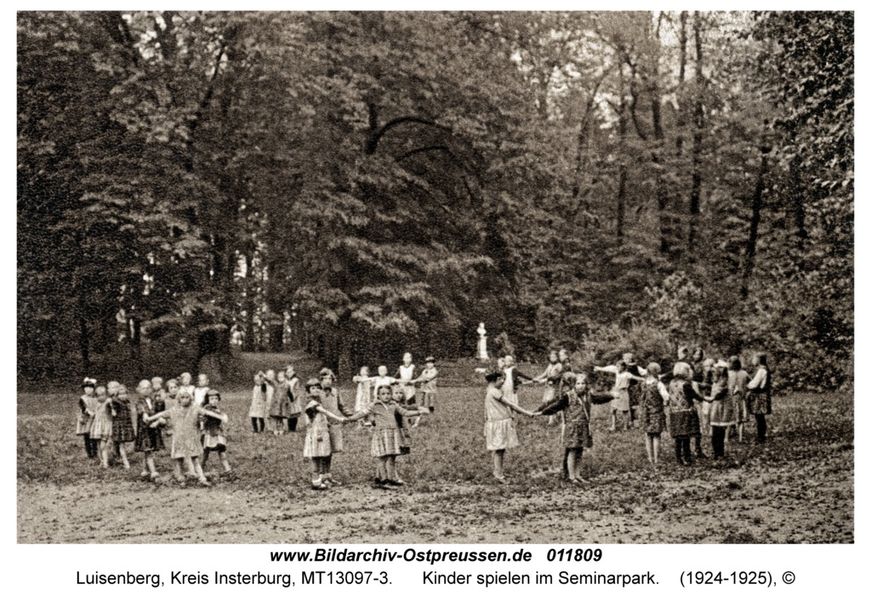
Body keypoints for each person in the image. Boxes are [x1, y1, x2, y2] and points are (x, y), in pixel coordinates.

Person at [346, 385, 430, 488]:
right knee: (382, 457)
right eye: (383, 394)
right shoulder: (374, 405)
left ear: (391, 395)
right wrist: (349, 419)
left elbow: (405, 412)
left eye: (388, 394)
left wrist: (419, 412)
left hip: (393, 434)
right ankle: (383, 480)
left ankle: (391, 479)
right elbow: (362, 413)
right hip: (381, 434)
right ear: (378, 395)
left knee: (391, 456)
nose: (386, 396)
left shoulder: (393, 405)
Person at [534, 372, 612, 483]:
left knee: (580, 450)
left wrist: (611, 396)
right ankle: (571, 476)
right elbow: (556, 406)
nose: (581, 386)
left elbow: (599, 398)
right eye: (578, 383)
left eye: (583, 383)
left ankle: (578, 474)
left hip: (584, 426)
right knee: (572, 450)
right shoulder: (568, 396)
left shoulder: (588, 395)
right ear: (574, 385)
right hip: (572, 428)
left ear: (586, 385)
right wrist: (542, 412)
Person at [143, 390, 226, 486]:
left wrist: (220, 417)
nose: (185, 400)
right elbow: (162, 414)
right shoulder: (174, 410)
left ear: (190, 399)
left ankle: (202, 478)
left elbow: (207, 412)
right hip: (179, 439)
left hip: (191, 439)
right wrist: (150, 418)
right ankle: (180, 477)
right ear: (179, 399)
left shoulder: (195, 409)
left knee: (195, 459)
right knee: (179, 458)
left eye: (187, 397)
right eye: (182, 398)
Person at [483, 370, 535, 483]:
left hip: (496, 423)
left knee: (499, 449)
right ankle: (499, 474)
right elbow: (511, 404)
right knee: (499, 450)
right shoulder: (494, 392)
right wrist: (527, 413)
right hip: (498, 423)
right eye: (502, 379)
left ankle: (498, 471)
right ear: (497, 379)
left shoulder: (490, 391)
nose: (503, 382)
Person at [301, 378, 346, 490]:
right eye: (313, 388)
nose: (316, 390)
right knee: (316, 457)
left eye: (318, 388)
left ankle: (321, 478)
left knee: (321, 455)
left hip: (320, 431)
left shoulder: (317, 402)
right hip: (317, 434)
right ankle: (315, 481)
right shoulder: (313, 403)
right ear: (308, 391)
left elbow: (320, 418)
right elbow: (325, 412)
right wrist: (340, 419)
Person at [666, 363, 706, 466]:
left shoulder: (671, 382)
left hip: (674, 412)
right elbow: (693, 395)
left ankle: (678, 457)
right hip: (685, 412)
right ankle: (687, 457)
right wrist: (704, 398)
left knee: (678, 437)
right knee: (686, 436)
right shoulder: (685, 384)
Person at [318, 368, 352, 485]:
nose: (328, 381)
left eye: (330, 378)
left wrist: (352, 416)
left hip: (334, 424)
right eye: (325, 378)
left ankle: (328, 475)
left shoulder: (335, 392)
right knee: (322, 451)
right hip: (322, 426)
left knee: (331, 451)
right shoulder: (317, 392)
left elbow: (342, 406)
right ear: (321, 380)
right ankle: (321, 476)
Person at [594, 360, 644, 432]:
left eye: (618, 366)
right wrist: (599, 368)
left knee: (625, 411)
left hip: (623, 393)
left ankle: (625, 427)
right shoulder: (617, 371)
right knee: (613, 410)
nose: (617, 368)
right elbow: (609, 368)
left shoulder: (627, 374)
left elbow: (636, 377)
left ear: (623, 367)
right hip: (616, 392)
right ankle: (613, 426)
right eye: (616, 366)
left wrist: (645, 379)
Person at [639, 363, 669, 468]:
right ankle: (656, 459)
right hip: (656, 411)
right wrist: (665, 402)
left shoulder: (643, 384)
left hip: (645, 412)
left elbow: (642, 398)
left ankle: (650, 458)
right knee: (656, 435)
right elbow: (666, 397)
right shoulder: (659, 384)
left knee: (647, 435)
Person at [133, 379, 164, 481]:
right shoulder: (139, 402)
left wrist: (157, 421)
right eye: (143, 388)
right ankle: (154, 472)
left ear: (151, 389)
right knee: (148, 450)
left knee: (149, 450)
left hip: (153, 429)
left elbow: (159, 413)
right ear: (139, 390)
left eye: (148, 388)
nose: (146, 390)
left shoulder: (154, 401)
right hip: (144, 430)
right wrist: (147, 417)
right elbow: (143, 413)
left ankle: (145, 470)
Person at [708, 360, 735, 459]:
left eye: (716, 369)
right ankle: (717, 452)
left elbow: (720, 394)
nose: (714, 371)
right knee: (716, 431)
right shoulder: (717, 379)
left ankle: (719, 452)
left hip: (722, 408)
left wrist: (711, 398)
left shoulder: (724, 381)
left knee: (719, 431)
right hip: (717, 407)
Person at [201, 389, 231, 475]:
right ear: (208, 400)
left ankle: (227, 469)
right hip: (209, 432)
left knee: (221, 451)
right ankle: (200, 468)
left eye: (216, 398)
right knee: (206, 453)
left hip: (217, 432)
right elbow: (208, 415)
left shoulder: (217, 409)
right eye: (212, 399)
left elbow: (223, 419)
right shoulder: (207, 408)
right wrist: (221, 416)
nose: (214, 400)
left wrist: (222, 416)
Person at [747, 353, 772, 444]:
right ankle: (761, 435)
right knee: (760, 417)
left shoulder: (762, 370)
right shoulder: (764, 369)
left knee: (759, 416)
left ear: (758, 360)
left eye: (754, 358)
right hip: (762, 394)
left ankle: (761, 436)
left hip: (760, 395)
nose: (752, 360)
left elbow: (754, 384)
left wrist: (747, 385)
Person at [534, 350, 564, 426]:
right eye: (551, 357)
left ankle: (552, 421)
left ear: (557, 357)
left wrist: (549, 380)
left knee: (551, 402)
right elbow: (545, 374)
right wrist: (537, 378)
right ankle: (555, 417)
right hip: (548, 387)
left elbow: (560, 376)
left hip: (555, 387)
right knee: (547, 402)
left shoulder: (559, 365)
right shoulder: (550, 365)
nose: (552, 358)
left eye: (554, 357)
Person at [110, 384, 134, 470]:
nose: (123, 396)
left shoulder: (127, 402)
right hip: (119, 426)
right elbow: (113, 413)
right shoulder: (115, 403)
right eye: (120, 394)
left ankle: (116, 457)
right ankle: (125, 461)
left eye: (124, 394)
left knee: (120, 444)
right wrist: (112, 409)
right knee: (121, 444)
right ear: (117, 395)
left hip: (126, 425)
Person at [89, 385, 113, 468]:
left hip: (105, 426)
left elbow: (112, 407)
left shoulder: (107, 403)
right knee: (99, 445)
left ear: (106, 395)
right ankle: (101, 461)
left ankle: (106, 462)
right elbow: (94, 413)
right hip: (97, 427)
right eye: (98, 396)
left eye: (103, 395)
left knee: (103, 445)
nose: (101, 397)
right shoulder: (97, 404)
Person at [727, 355, 750, 443]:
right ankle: (740, 438)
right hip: (741, 398)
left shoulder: (728, 374)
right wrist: (746, 392)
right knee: (740, 420)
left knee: (730, 419)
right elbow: (750, 384)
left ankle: (727, 438)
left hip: (732, 398)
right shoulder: (744, 373)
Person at [410, 356, 438, 427]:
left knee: (431, 408)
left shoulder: (435, 371)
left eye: (431, 363)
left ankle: (432, 423)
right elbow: (420, 377)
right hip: (423, 391)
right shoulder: (425, 371)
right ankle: (416, 423)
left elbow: (426, 379)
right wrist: (413, 380)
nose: (429, 364)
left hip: (431, 392)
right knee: (421, 407)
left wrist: (415, 381)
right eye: (428, 363)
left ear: (434, 363)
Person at [76, 377, 98, 459]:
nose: (87, 390)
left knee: (94, 436)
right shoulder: (83, 398)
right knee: (87, 436)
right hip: (86, 419)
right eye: (85, 388)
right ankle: (90, 454)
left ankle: (95, 452)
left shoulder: (96, 398)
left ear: (93, 389)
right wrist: (89, 412)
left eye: (90, 388)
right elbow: (83, 407)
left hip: (95, 418)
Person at [269, 370, 291, 435]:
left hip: (283, 404)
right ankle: (275, 429)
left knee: (280, 418)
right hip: (276, 404)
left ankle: (281, 429)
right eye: (279, 377)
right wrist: (264, 376)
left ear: (285, 378)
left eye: (281, 377)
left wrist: (290, 400)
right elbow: (270, 381)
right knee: (275, 417)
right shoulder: (276, 384)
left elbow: (289, 393)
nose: (280, 378)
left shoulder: (287, 385)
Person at [285, 365, 303, 432]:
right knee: (289, 413)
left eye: (290, 372)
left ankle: (293, 428)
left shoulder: (296, 380)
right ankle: (290, 428)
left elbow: (296, 390)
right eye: (287, 372)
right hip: (288, 398)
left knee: (294, 413)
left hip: (294, 399)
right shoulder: (286, 381)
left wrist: (293, 397)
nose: (289, 374)